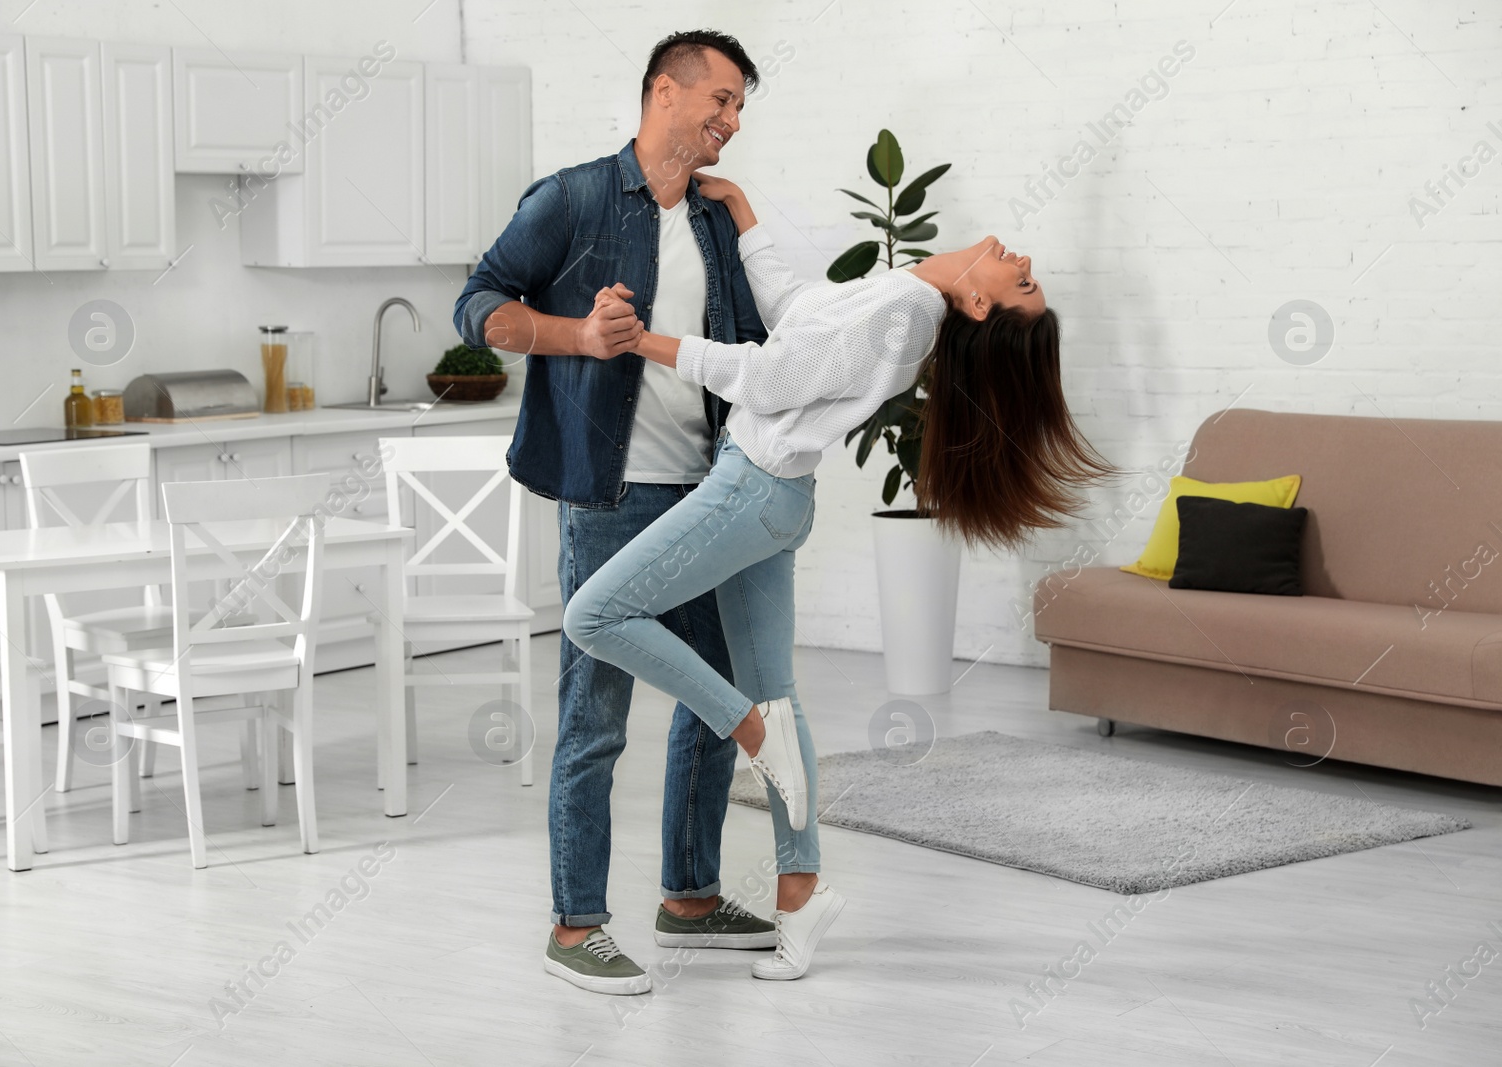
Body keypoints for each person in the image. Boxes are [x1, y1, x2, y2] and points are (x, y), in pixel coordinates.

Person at [561, 174, 1117, 981]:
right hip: (772, 494)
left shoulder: (906, 312)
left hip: (750, 492)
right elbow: (797, 312)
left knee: (593, 615)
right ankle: (800, 896)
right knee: (777, 693)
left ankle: (746, 729)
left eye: (1022, 280)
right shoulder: (906, 295)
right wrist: (747, 213)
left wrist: (641, 341)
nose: (1019, 255)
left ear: (982, 308)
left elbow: (766, 380)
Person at [453, 31, 780, 997]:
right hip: (608, 492)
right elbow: (476, 303)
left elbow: (755, 346)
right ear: (663, 93)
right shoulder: (574, 198)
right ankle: (575, 924)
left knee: (714, 698)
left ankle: (689, 897)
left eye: (739, 109)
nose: (729, 121)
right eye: (719, 100)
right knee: (596, 713)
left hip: (707, 490)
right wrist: (576, 337)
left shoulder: (717, 220)